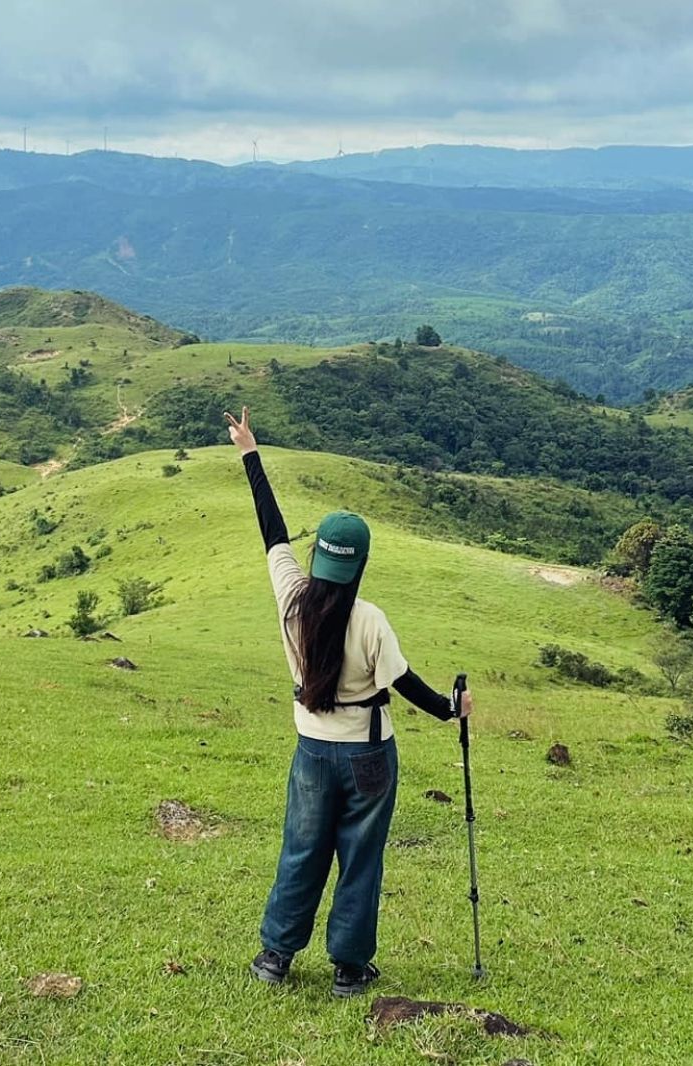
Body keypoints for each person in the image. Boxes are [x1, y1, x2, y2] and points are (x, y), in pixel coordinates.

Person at [224, 406, 474, 998]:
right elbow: (406, 683)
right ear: (359, 565)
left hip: (312, 751)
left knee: (302, 850)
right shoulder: (371, 620)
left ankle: (276, 956)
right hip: (368, 756)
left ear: (316, 558)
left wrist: (249, 452)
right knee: (360, 859)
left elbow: (271, 529)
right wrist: (449, 709)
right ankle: (348, 969)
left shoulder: (290, 598)